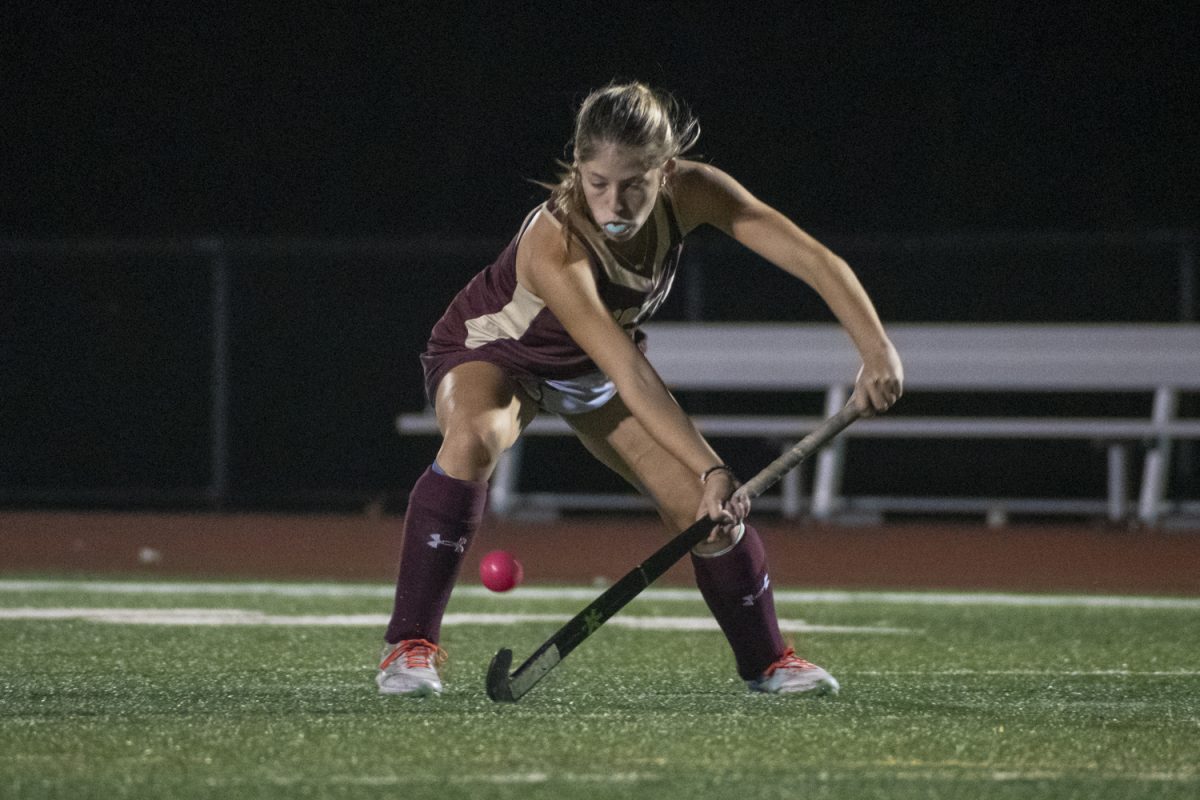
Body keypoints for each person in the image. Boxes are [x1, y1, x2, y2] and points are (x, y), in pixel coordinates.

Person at [378, 81, 903, 697]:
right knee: (475, 437)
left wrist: (876, 350)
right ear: (577, 168)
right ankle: (409, 646)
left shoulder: (695, 191)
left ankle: (766, 662)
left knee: (706, 519)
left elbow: (811, 257)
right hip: (497, 354)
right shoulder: (558, 241)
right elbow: (629, 369)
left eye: (634, 184)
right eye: (598, 182)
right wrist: (713, 466)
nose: (615, 203)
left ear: (667, 170)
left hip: (591, 371)